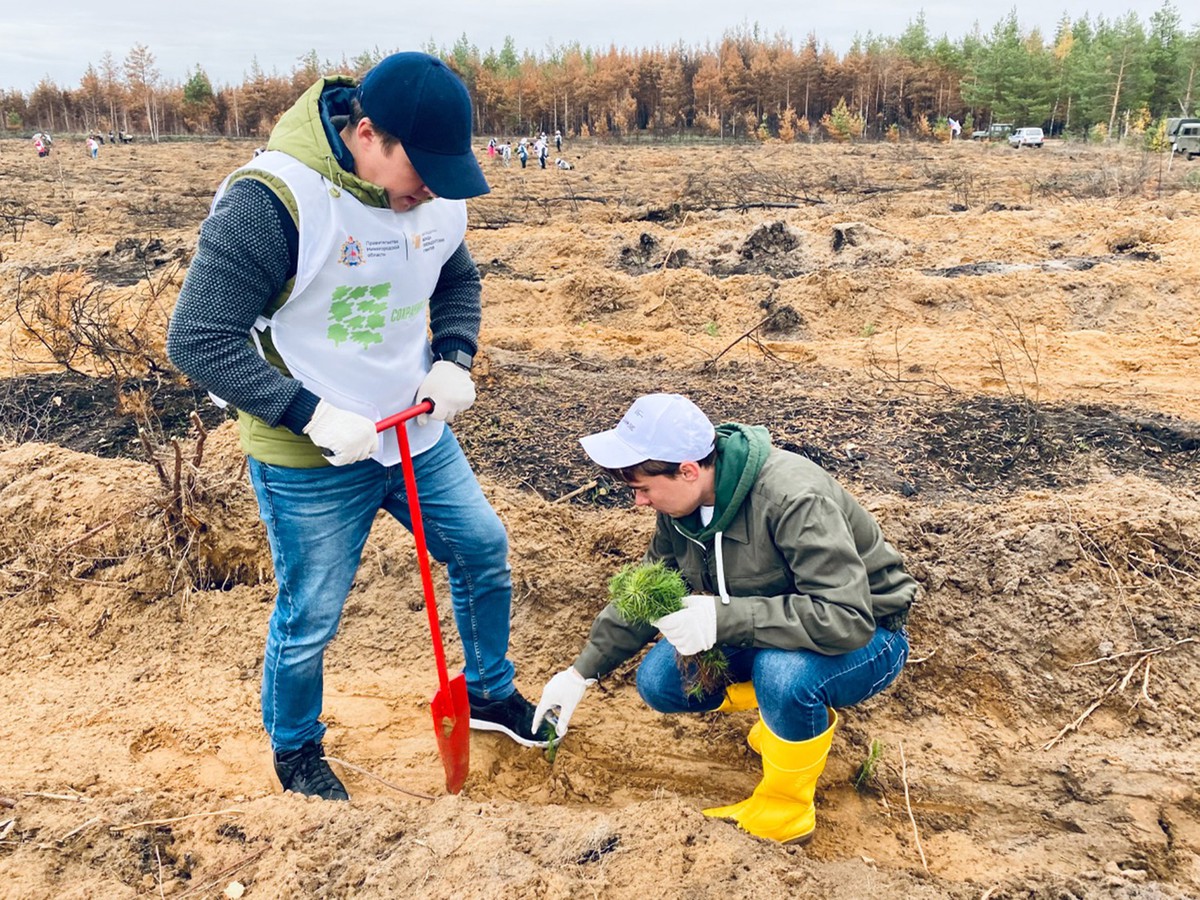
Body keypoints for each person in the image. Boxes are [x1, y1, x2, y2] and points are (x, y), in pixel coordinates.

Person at [167, 51, 552, 803]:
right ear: (365, 133)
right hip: (310, 455)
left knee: (482, 548)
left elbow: (457, 278)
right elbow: (198, 336)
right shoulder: (273, 200)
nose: (430, 192)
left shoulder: (433, 199)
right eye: (422, 171)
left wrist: (454, 357)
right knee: (310, 613)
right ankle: (297, 751)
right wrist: (308, 414)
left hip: (413, 431)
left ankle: (487, 691)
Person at [534, 393, 916, 843]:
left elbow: (845, 616)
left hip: (868, 636)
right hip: (777, 625)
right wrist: (581, 673)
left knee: (784, 675)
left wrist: (718, 617)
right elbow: (647, 588)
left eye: (642, 488)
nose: (638, 502)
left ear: (688, 469)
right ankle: (785, 719)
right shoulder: (680, 510)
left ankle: (786, 814)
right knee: (661, 680)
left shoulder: (793, 497)